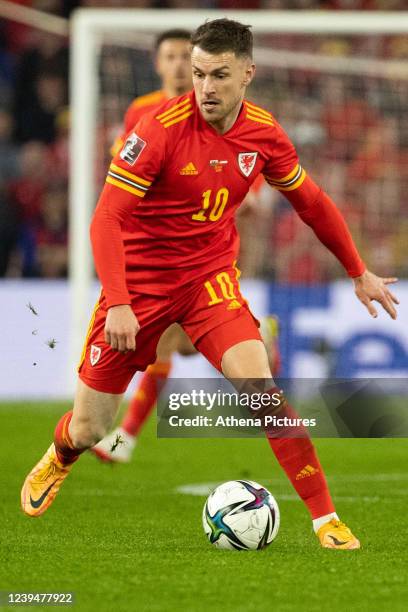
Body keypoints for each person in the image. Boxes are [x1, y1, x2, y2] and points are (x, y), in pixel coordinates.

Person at [21, 19, 399, 550]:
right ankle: (61, 454)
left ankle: (326, 521)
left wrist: (357, 270)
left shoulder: (263, 132)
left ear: (248, 73)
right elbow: (106, 219)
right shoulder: (156, 128)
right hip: (140, 285)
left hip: (208, 281)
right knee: (91, 429)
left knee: (261, 392)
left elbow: (310, 203)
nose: (205, 88)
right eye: (199, 74)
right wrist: (121, 303)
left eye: (219, 75)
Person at [92, 29, 280, 464]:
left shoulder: (227, 113)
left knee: (171, 343)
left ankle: (125, 438)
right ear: (158, 65)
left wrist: (247, 195)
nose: (178, 65)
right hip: (154, 247)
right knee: (178, 346)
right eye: (171, 57)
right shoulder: (142, 112)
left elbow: (248, 170)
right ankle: (260, 330)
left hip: (204, 245)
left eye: (184, 57)